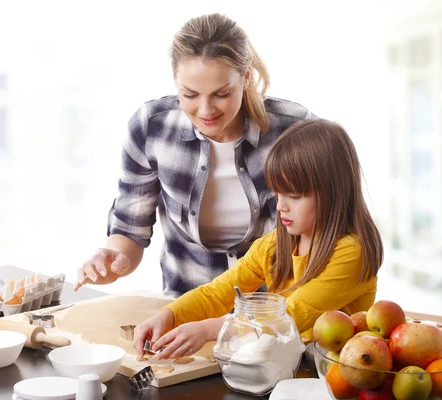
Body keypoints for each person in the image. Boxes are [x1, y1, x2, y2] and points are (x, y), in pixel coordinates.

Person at [73, 13, 314, 296]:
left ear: (246, 78)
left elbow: (329, 234)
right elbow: (129, 230)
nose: (205, 110)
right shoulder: (152, 128)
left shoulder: (296, 130)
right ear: (175, 82)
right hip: (185, 316)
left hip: (277, 317)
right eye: (190, 94)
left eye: (222, 94)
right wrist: (113, 261)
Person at [132, 119, 384, 360]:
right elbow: (218, 293)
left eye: (294, 196)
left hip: (329, 378)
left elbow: (291, 316)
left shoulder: (352, 252)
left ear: (333, 193)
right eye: (277, 193)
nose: (280, 207)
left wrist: (210, 329)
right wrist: (168, 316)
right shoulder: (275, 244)